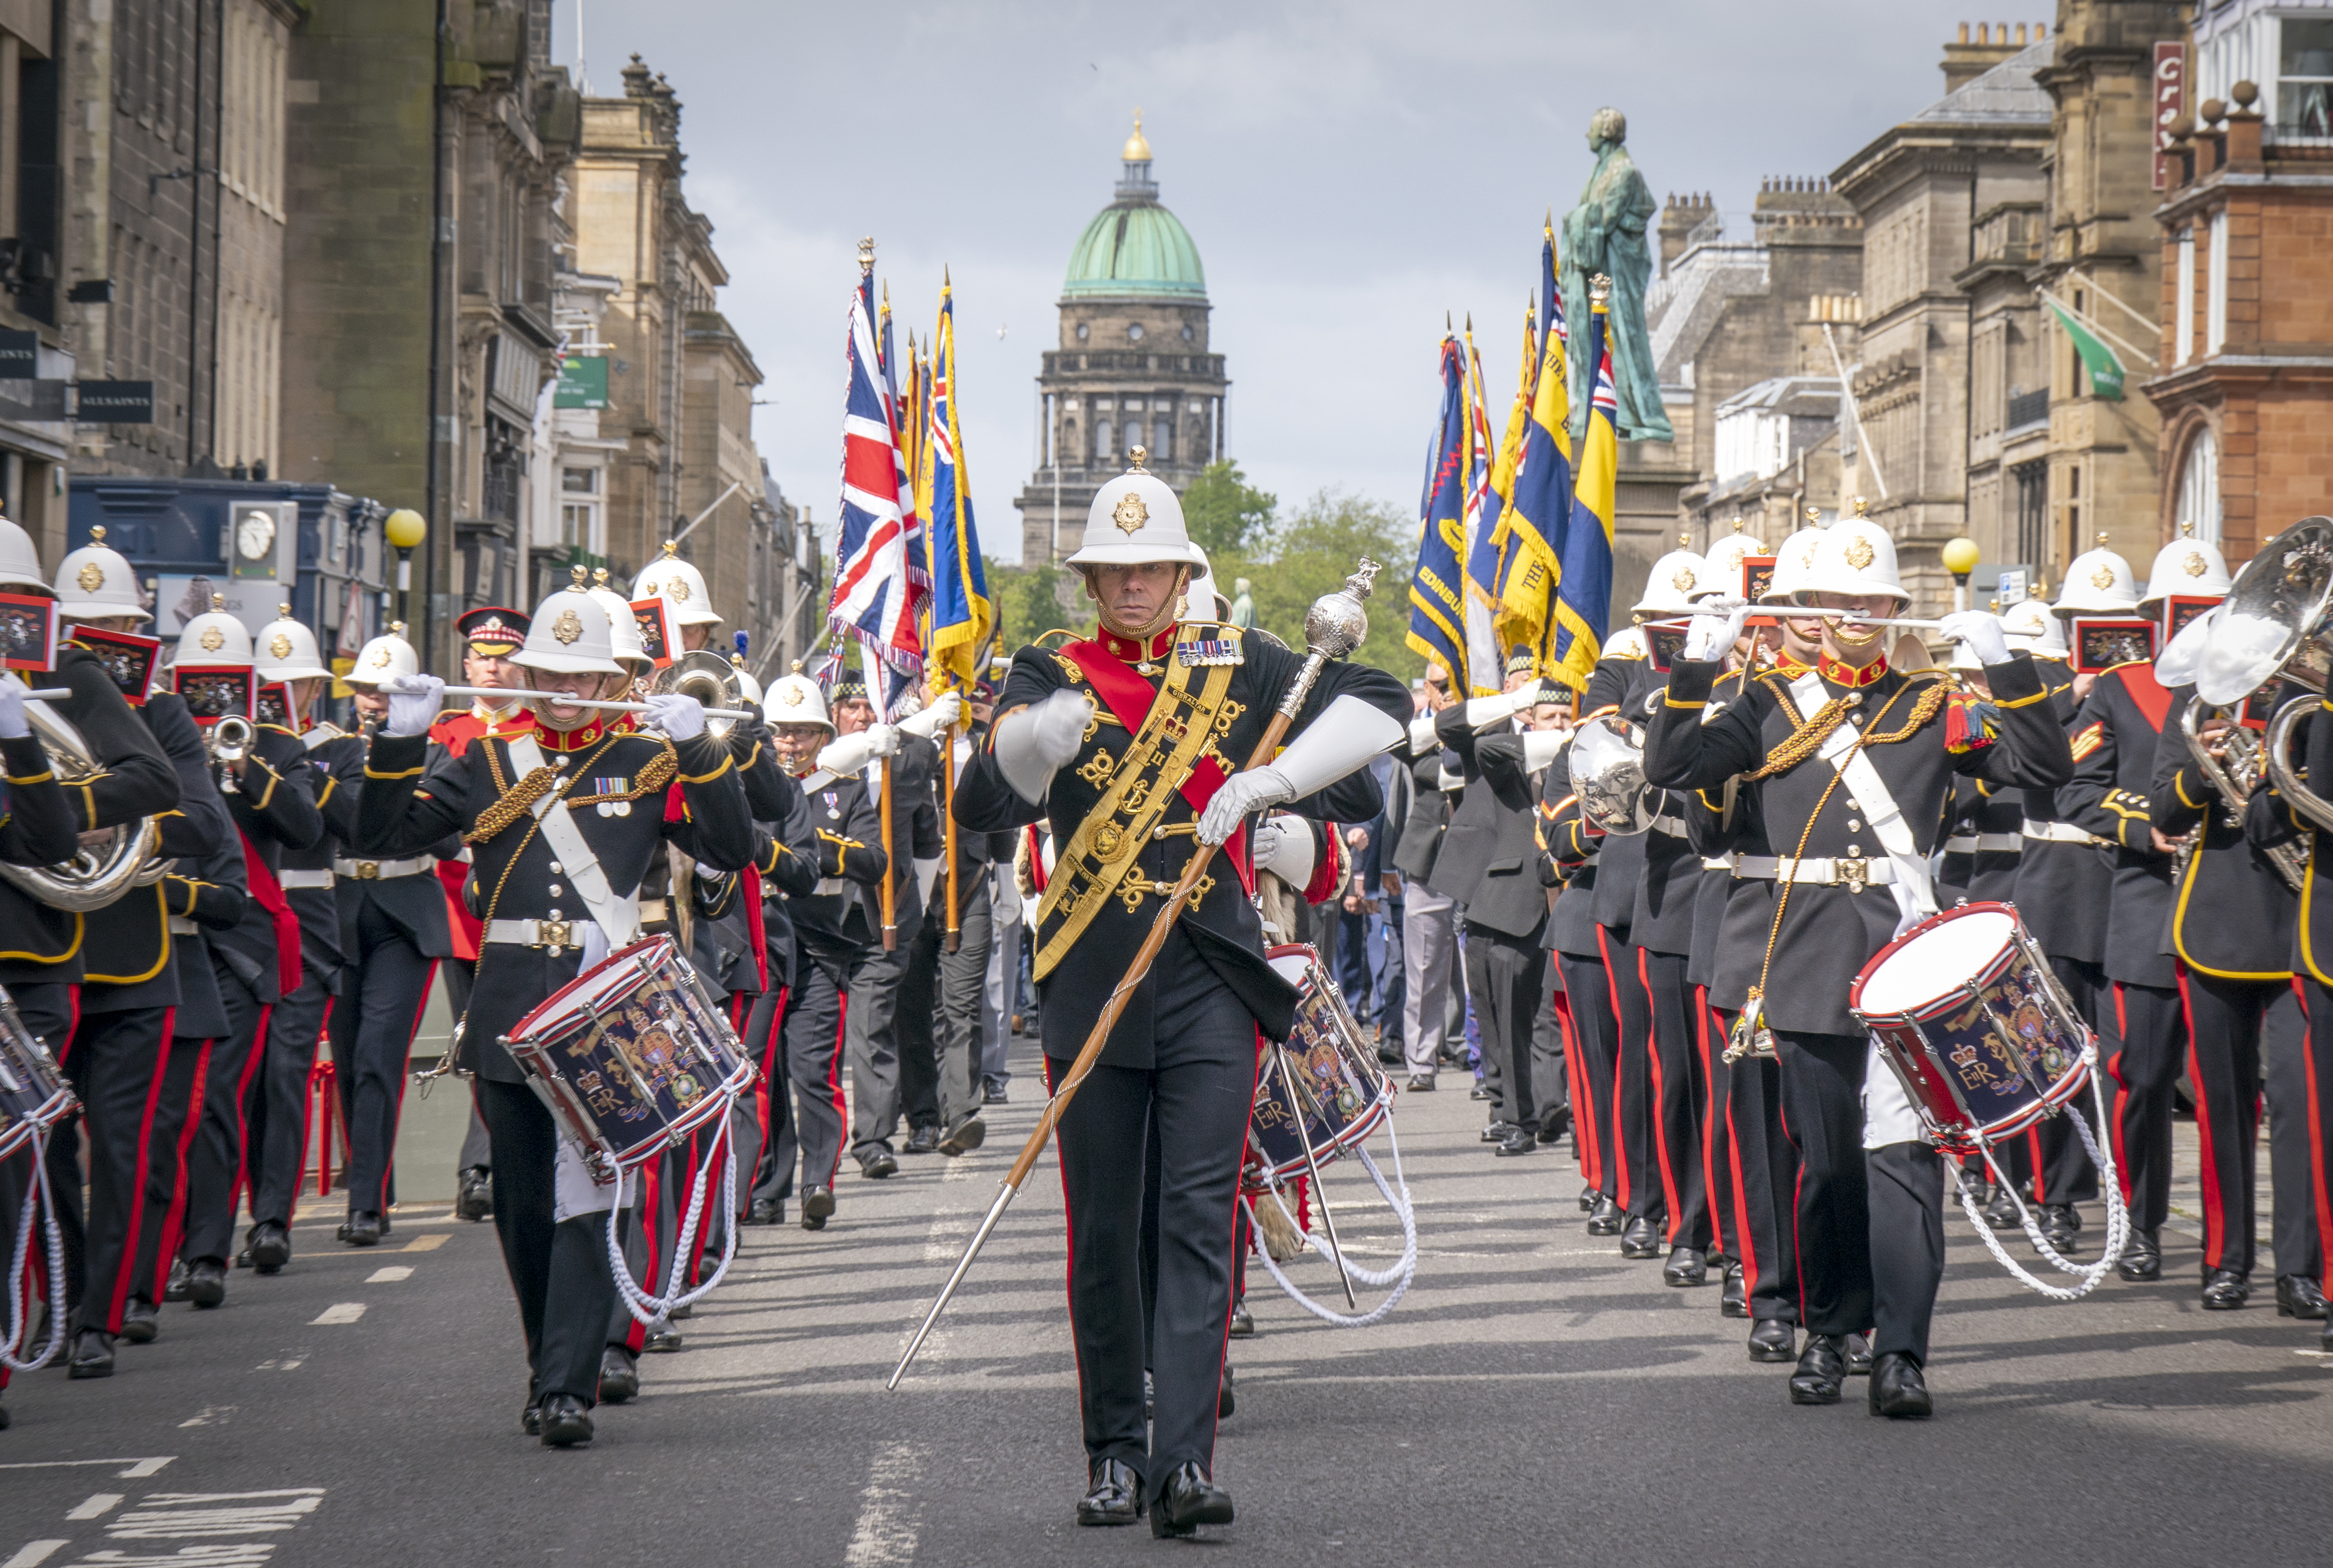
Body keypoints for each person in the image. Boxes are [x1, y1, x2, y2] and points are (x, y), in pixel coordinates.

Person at [952, 449, 1407, 1535]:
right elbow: (978, 805)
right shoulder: (1046, 663)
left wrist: (1270, 779)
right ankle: (1113, 1450)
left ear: (1180, 569)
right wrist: (1027, 744)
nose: (1135, 586)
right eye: (1115, 571)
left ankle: (1183, 1461)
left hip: (1209, 976)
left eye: (1152, 566)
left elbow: (1379, 714)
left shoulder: (1241, 661)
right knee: (1106, 1229)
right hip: (1092, 976)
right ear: (1092, 581)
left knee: (1201, 1218)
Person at [1646, 514, 2072, 1418]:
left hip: (1905, 964)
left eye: (1867, 599)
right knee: (1830, 1164)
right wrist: (1694, 669)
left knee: (1905, 1161)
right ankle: (1830, 1329)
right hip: (1802, 961)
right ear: (1812, 607)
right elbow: (1674, 765)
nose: (1852, 613)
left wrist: (2008, 668)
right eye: (1835, 601)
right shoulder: (1765, 706)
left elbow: (2045, 767)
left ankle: (1902, 1352)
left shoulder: (1930, 703)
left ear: (1888, 605)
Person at [355, 588, 754, 1447]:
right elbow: (382, 835)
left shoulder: (646, 759)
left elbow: (731, 848)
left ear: (612, 677)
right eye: (550, 670)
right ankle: (549, 1359)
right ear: (530, 672)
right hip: (507, 1002)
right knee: (525, 1203)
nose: (564, 685)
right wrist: (397, 740)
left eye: (583, 672)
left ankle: (569, 1384)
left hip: (600, 1004)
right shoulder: (486, 759)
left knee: (592, 1194)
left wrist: (699, 749)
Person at [2059, 532, 2224, 1285]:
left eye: (2207, 608)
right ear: (2151, 615)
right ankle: (2141, 1223)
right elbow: (2079, 790)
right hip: (2147, 897)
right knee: (2145, 1076)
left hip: (2230, 900)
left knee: (2229, 1088)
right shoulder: (2121, 687)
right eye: (2177, 609)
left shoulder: (2258, 687)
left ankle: (2230, 1249)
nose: (2191, 619)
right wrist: (2142, 825)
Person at [168, 598, 323, 1303]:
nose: (210, 700)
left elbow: (304, 825)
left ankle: (206, 1251)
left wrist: (246, 765)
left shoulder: (278, 746)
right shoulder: (155, 738)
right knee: (169, 1108)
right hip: (163, 934)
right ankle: (160, 1248)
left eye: (223, 686)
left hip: (244, 942)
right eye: (196, 684)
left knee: (220, 1100)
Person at [429, 607, 534, 1223]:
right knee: (474, 1040)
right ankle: (480, 1164)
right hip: (462, 914)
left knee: (513, 1041)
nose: (492, 666)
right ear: (467, 664)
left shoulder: (539, 730)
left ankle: (487, 1163)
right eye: (483, 657)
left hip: (522, 909)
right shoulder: (448, 731)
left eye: (504, 657)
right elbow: (426, 818)